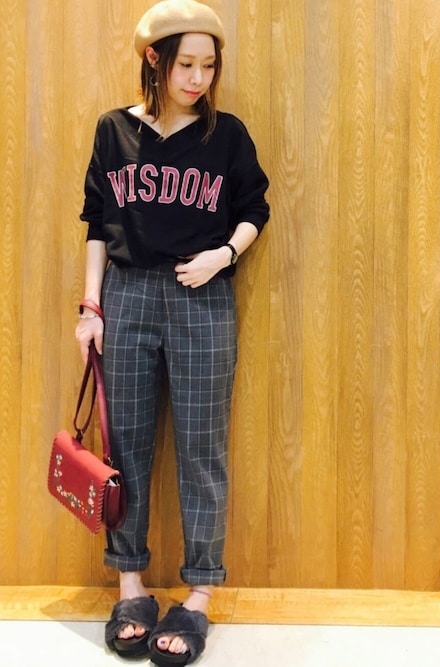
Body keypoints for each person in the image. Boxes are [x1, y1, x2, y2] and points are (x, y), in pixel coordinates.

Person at [74, 0, 270, 664]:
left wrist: (225, 254)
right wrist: (90, 307)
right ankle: (130, 585)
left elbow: (255, 208)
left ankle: (199, 594)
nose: (197, 79)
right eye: (186, 64)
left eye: (208, 66)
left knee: (201, 449)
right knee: (125, 448)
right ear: (154, 60)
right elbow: (96, 221)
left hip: (203, 298)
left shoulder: (227, 136)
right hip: (127, 296)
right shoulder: (114, 130)